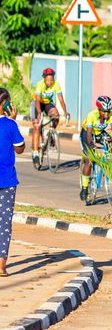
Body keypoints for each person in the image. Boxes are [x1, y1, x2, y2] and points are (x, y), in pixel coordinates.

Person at [0, 87, 25, 277]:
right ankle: (1, 266)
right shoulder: (10, 125)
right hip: (7, 181)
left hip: (7, 181)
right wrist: (14, 120)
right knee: (5, 223)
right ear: (5, 104)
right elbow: (20, 149)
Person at [79, 96, 112, 201]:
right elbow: (89, 132)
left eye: (108, 111)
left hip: (99, 133)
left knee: (110, 142)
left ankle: (109, 163)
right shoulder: (92, 115)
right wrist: (91, 143)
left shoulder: (111, 115)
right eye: (104, 111)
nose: (106, 114)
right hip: (87, 133)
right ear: (99, 110)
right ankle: (84, 187)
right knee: (89, 161)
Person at [31, 67, 68, 168]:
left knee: (55, 115)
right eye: (47, 80)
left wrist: (65, 112)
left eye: (51, 79)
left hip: (47, 103)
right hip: (37, 104)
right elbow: (38, 101)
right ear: (44, 79)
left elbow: (61, 100)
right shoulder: (40, 85)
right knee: (36, 126)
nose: (50, 82)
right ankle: (35, 153)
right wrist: (39, 112)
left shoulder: (56, 84)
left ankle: (51, 133)